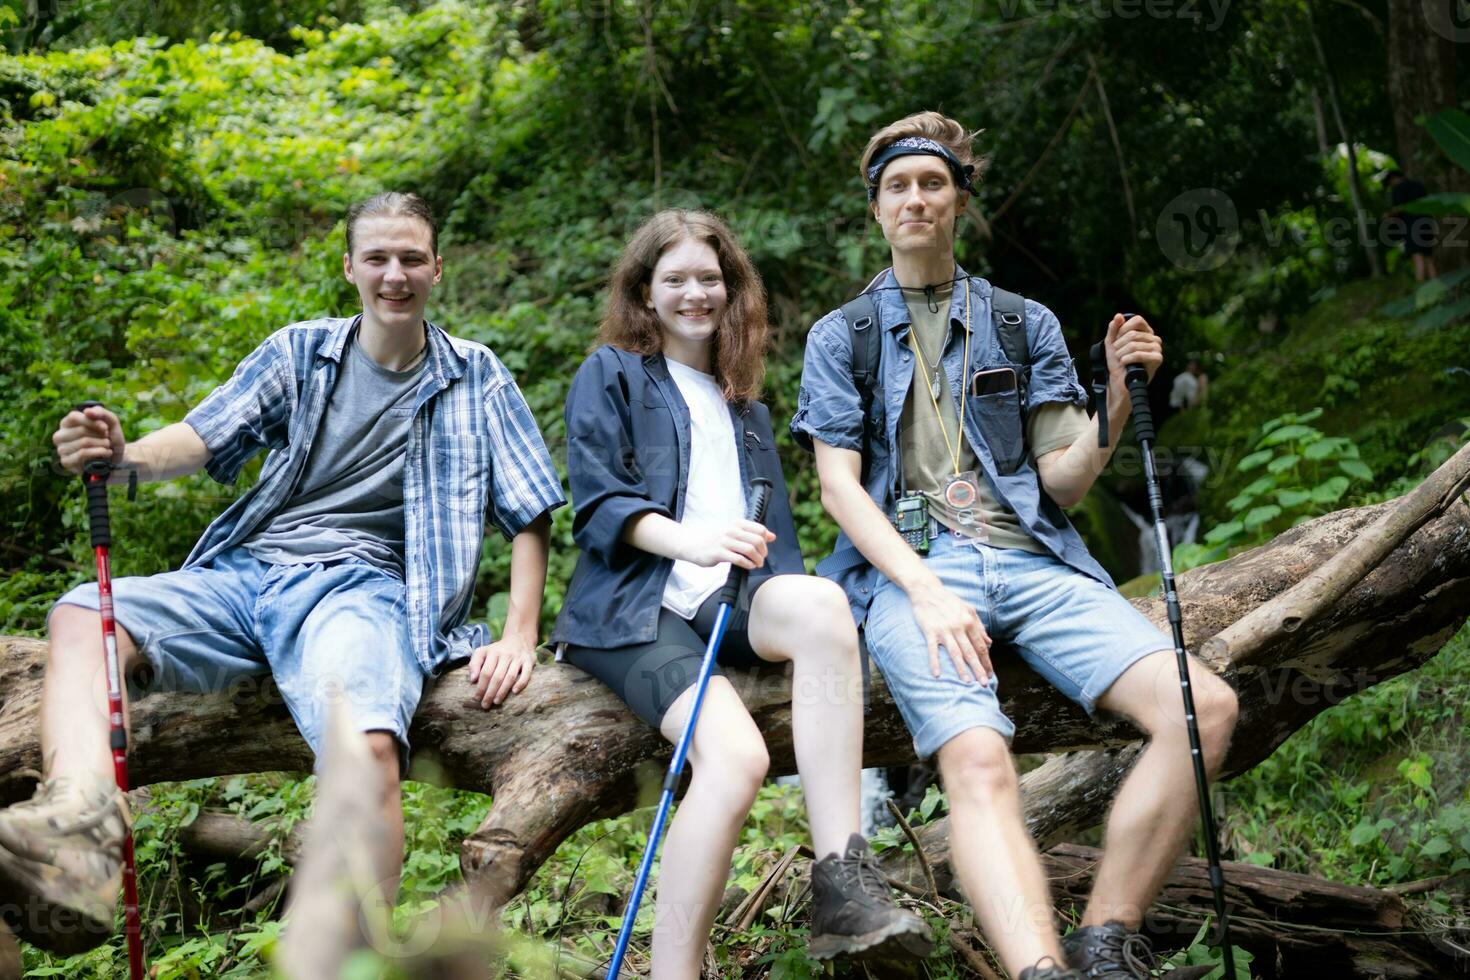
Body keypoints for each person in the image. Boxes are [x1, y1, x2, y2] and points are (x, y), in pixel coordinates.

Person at [0, 191, 564, 955]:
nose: (393, 274)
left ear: (437, 268)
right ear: (349, 268)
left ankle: (359, 960)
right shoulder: (301, 351)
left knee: (366, 752)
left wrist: (519, 634)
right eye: (377, 258)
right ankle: (81, 830)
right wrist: (124, 457)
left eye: (409, 258)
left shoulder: (478, 376)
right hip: (248, 574)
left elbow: (528, 508)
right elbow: (203, 438)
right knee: (81, 615)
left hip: (363, 590)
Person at [791, 112, 1240, 980]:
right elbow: (839, 488)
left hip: (1036, 561)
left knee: (1203, 710)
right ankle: (1040, 971)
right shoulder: (839, 337)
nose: (915, 200)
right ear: (876, 207)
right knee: (978, 756)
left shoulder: (1019, 321)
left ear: (960, 199)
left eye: (933, 183)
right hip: (915, 571)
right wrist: (922, 589)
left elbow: (1062, 485)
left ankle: (1106, 938)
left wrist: (1114, 400)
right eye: (898, 187)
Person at [552, 209, 931, 978]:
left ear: (731, 291)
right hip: (637, 610)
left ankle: (841, 877)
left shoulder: (748, 411)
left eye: (709, 278)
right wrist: (691, 539)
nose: (696, 293)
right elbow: (597, 506)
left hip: (728, 604)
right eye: (676, 279)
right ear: (645, 292)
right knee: (735, 762)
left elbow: (780, 557)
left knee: (824, 604)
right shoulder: (613, 373)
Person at [1383, 170, 1439, 283]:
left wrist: (1388, 215)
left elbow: (1399, 208)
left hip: (1412, 226)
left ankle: (1420, 287)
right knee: (1428, 257)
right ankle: (1437, 288)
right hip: (1427, 223)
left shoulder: (1398, 188)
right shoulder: (1418, 185)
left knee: (1417, 256)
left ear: (1393, 179)